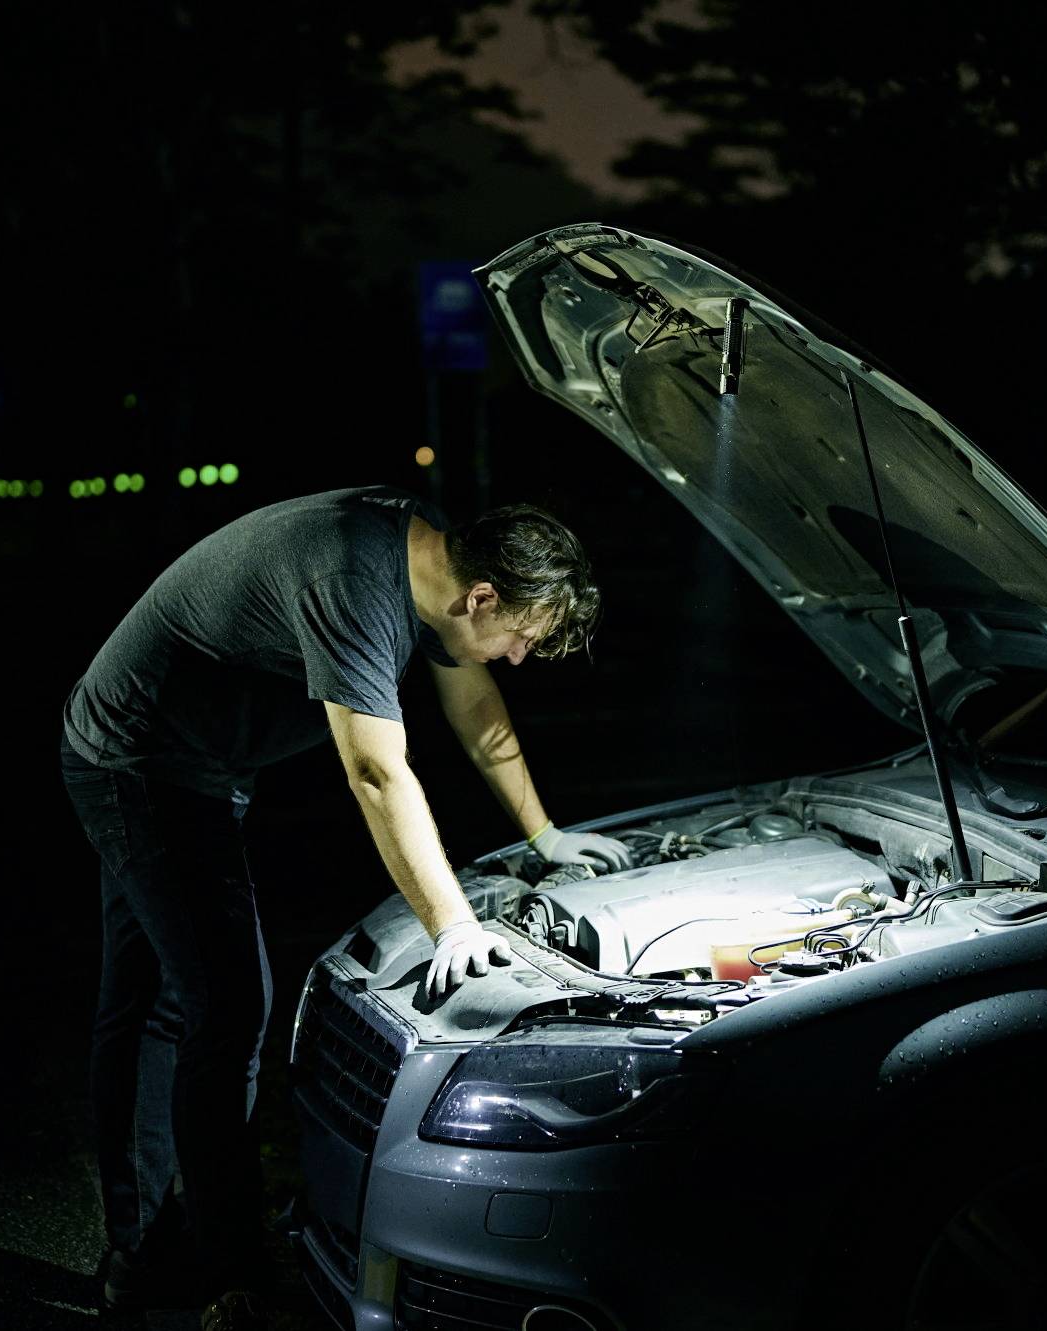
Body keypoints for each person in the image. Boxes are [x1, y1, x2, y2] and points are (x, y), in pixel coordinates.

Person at [57, 486, 630, 1328]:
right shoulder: (355, 584)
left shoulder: (431, 558)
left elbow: (471, 702)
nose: (513, 658)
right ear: (481, 598)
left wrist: (543, 833)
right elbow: (376, 773)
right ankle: (226, 1271)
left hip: (190, 760)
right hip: (141, 762)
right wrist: (452, 922)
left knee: (156, 1003)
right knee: (224, 1008)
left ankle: (138, 1252)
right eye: (520, 638)